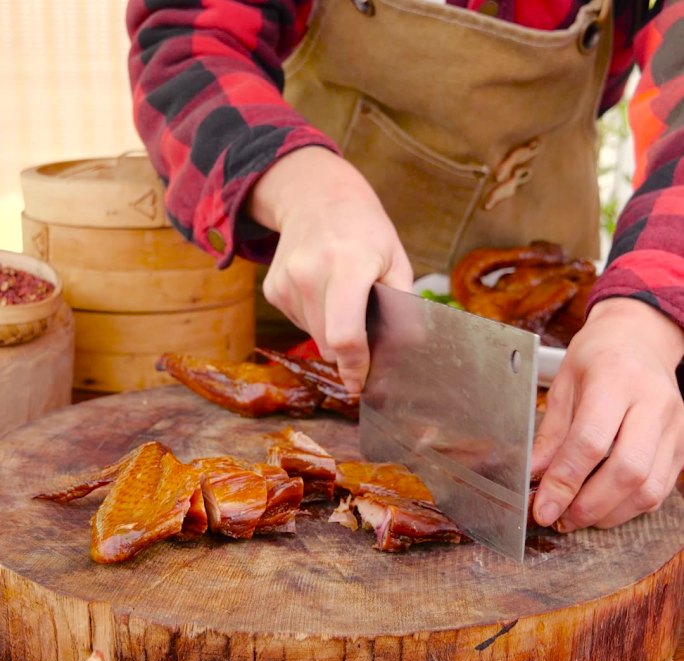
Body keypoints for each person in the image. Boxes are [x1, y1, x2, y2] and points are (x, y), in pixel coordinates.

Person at [126, 0, 684, 535]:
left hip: (552, 349)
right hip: (304, 296)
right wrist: (302, 187)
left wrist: (645, 321)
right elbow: (186, 41)